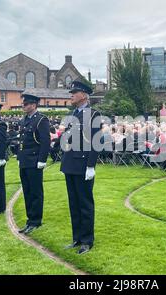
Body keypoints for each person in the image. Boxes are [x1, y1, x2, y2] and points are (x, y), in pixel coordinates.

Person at [61, 81, 101, 255]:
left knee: (84, 203)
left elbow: (96, 142)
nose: (71, 95)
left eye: (74, 92)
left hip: (83, 164)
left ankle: (87, 240)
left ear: (84, 95)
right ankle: (77, 237)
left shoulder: (93, 115)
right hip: (70, 163)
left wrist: (91, 166)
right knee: (73, 203)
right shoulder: (73, 114)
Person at [17, 94, 51, 235]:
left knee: (36, 191)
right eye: (23, 104)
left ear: (33, 105)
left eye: (25, 104)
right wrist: (20, 156)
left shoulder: (41, 120)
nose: (23, 106)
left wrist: (42, 160)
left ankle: (36, 220)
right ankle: (30, 218)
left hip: (35, 160)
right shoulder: (24, 119)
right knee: (27, 190)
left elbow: (45, 141)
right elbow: (22, 140)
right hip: (25, 160)